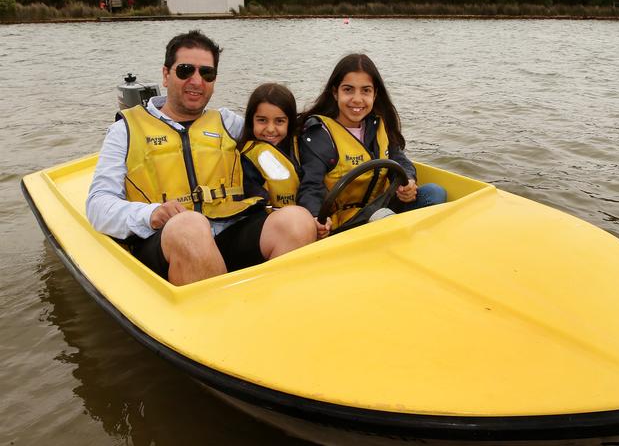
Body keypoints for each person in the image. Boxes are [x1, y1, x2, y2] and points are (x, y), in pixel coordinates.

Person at [86, 30, 316, 285]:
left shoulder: (229, 123)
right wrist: (151, 214)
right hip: (165, 241)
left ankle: (277, 312)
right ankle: (216, 319)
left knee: (298, 221)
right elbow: (98, 205)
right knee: (191, 227)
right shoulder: (125, 131)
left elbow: (287, 137)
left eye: (207, 73)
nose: (197, 81)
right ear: (166, 74)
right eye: (185, 70)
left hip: (229, 232)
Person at [297, 53, 447, 238]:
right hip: (343, 223)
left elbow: (399, 159)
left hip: (380, 207)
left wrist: (408, 181)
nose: (357, 99)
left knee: (435, 193)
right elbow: (311, 185)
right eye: (348, 90)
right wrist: (315, 216)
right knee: (384, 219)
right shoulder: (319, 134)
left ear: (375, 94)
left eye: (365, 91)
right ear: (335, 93)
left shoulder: (378, 125)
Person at [238, 83, 302, 212]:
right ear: (251, 121)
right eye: (262, 120)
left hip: (305, 216)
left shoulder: (303, 148)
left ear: (290, 122)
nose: (270, 129)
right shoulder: (245, 160)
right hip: (268, 222)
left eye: (279, 121)